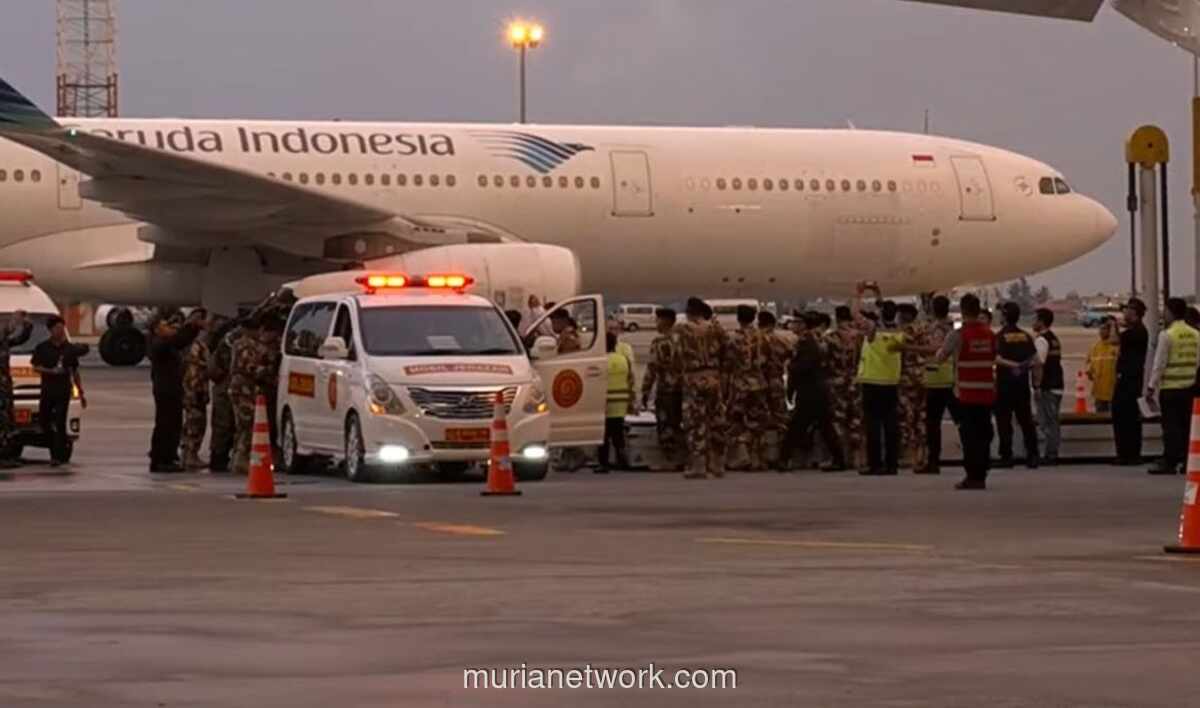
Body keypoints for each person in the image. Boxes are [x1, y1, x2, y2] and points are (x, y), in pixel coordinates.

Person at [934, 294, 996, 490]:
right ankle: (982, 473)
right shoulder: (990, 334)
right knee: (984, 434)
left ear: (962, 310)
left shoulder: (958, 335)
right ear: (978, 310)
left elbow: (940, 358)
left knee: (969, 436)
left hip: (966, 394)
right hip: (986, 392)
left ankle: (972, 476)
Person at [778, 312, 845, 471]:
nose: (793, 324)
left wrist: (790, 367)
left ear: (803, 324)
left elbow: (802, 366)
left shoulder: (806, 341)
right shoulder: (817, 339)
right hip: (817, 389)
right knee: (825, 427)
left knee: (796, 427)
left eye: (796, 322)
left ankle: (784, 459)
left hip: (809, 391)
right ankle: (839, 460)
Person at [854, 284, 904, 475]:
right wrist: (878, 294)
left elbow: (855, 313)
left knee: (873, 426)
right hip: (891, 382)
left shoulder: (873, 330)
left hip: (873, 382)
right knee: (891, 425)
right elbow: (886, 311)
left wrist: (859, 294)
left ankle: (875, 464)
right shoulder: (898, 330)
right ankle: (892, 464)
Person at [1146, 297, 1200, 475]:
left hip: (1170, 388)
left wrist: (1151, 385)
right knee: (1186, 427)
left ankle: (1169, 461)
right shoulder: (1195, 334)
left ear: (1170, 312)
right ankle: (1186, 461)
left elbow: (1159, 363)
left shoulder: (1167, 334)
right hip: (1189, 387)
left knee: (1170, 428)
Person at [676, 297, 727, 479]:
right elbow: (727, 350)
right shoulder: (716, 329)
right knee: (716, 420)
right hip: (713, 377)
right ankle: (717, 464)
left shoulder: (683, 329)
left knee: (696, 423)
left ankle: (698, 466)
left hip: (693, 379)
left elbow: (677, 355)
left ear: (689, 312)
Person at [147, 309, 204, 473]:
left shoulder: (162, 343)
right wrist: (192, 326)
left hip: (170, 388)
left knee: (171, 423)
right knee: (167, 424)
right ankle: (162, 459)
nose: (169, 328)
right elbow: (178, 340)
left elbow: (178, 340)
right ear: (156, 329)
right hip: (166, 389)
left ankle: (166, 456)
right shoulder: (159, 344)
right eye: (165, 325)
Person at [31, 316, 85, 467]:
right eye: (57, 328)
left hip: (63, 391)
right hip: (48, 390)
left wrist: (80, 391)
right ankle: (52, 445)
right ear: (51, 330)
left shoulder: (69, 349)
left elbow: (74, 371)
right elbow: (35, 366)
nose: (60, 331)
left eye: (62, 328)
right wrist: (50, 371)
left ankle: (57, 455)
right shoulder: (42, 347)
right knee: (44, 421)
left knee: (61, 423)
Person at [993, 302, 1040, 469]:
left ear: (1004, 316)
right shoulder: (1026, 336)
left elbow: (996, 358)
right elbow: (1036, 361)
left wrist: (1012, 365)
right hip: (1022, 386)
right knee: (1026, 421)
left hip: (1005, 385)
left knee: (1004, 422)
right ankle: (1033, 455)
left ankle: (1006, 456)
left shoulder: (999, 336)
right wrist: (1035, 383)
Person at [723, 305, 769, 470]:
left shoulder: (734, 339)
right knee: (758, 422)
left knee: (736, 421)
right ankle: (760, 460)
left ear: (738, 318)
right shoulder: (763, 337)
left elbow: (727, 364)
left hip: (741, 384)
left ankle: (743, 456)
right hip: (759, 383)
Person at [641, 307, 684, 470]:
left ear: (665, 321)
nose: (656, 323)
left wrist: (645, 391)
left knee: (666, 425)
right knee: (680, 424)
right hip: (684, 389)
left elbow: (652, 369)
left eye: (657, 319)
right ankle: (683, 458)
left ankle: (671, 460)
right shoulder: (683, 340)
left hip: (666, 390)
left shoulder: (659, 342)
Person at [922, 295, 959, 475]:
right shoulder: (952, 327)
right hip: (950, 378)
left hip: (937, 380)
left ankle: (933, 461)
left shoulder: (937, 328)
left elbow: (935, 349)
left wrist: (909, 348)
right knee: (961, 421)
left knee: (932, 424)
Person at [826, 305, 864, 470]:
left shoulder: (831, 337)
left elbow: (825, 360)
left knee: (839, 420)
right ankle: (858, 458)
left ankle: (841, 457)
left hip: (837, 382)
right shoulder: (860, 337)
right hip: (856, 381)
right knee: (856, 419)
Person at [1112, 298, 1149, 465]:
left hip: (1128, 380)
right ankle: (1131, 453)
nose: (1124, 313)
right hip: (1133, 380)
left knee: (1123, 417)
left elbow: (1114, 340)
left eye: (1126, 310)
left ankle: (1126, 454)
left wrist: (1114, 325)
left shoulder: (1133, 333)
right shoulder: (1140, 331)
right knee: (1130, 418)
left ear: (1134, 313)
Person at [895, 303, 929, 471]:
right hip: (922, 376)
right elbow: (930, 349)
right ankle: (922, 455)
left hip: (907, 378)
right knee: (921, 416)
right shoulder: (923, 330)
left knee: (907, 417)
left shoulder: (903, 333)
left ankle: (910, 456)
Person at [228, 318, 263, 476]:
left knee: (241, 424)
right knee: (247, 425)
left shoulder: (237, 343)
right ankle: (241, 460)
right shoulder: (248, 346)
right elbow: (249, 367)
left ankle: (236, 458)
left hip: (238, 387)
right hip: (244, 389)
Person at [180, 312, 213, 470]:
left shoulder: (190, 343)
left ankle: (187, 454)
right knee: (196, 423)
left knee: (191, 422)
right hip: (195, 389)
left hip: (193, 388)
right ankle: (190, 456)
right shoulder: (197, 345)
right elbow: (199, 368)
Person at [0, 310, 32, 468]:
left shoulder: (5, 343)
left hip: (5, 387)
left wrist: (26, 325)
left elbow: (21, 338)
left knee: (8, 421)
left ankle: (7, 453)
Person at [599, 332, 634, 472]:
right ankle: (622, 460)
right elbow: (631, 380)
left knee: (604, 435)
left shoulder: (600, 361)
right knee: (618, 434)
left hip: (605, 403)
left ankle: (604, 463)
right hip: (621, 401)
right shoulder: (623, 359)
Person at [1032, 308, 1064, 466]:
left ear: (1041, 322)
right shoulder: (1054, 339)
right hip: (1057, 384)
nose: (1033, 322)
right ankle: (1052, 453)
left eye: (1035, 319)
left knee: (1048, 422)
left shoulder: (1041, 340)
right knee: (1053, 420)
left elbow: (1039, 364)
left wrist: (1037, 386)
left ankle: (1051, 454)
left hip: (1048, 387)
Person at [206, 317, 238, 472]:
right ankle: (219, 459)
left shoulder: (224, 343)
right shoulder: (228, 345)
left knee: (223, 425)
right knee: (223, 425)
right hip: (225, 389)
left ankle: (219, 458)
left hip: (223, 388)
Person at [758, 310, 792, 450]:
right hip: (776, 380)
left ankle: (762, 454)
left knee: (760, 417)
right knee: (780, 417)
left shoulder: (756, 339)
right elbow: (790, 354)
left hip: (760, 382)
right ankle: (783, 452)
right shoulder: (782, 340)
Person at [1086, 318, 1119, 414]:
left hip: (1113, 393)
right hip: (1099, 393)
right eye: (1100, 329)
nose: (1101, 331)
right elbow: (1089, 365)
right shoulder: (1095, 347)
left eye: (1104, 329)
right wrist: (1090, 373)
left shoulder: (1116, 347)